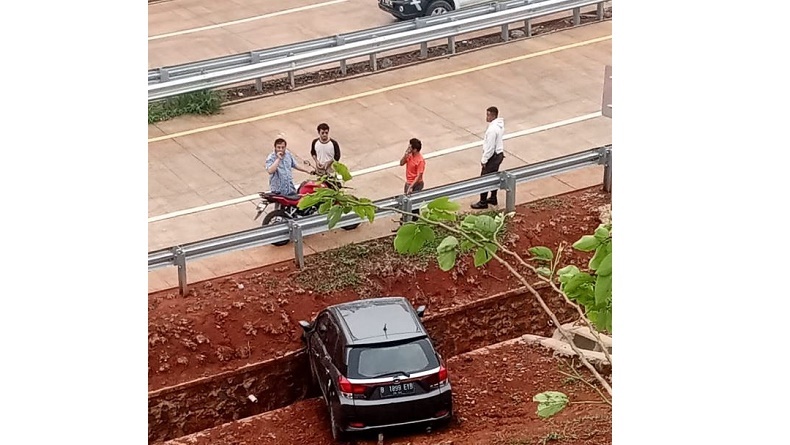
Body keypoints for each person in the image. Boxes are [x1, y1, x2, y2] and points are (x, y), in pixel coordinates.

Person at [471, 106, 505, 209]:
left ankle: (483, 201)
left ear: (493, 116)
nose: (487, 117)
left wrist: (484, 159)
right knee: (494, 177)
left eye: (488, 114)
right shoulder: (499, 126)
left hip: (492, 157)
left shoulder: (492, 130)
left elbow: (490, 147)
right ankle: (493, 198)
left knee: (484, 179)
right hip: (498, 154)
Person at [393, 138, 425, 231]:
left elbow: (419, 175)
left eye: (411, 147)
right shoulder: (410, 156)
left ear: (415, 149)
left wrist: (411, 186)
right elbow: (401, 163)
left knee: (413, 207)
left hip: (416, 184)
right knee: (406, 205)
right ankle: (404, 224)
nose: (409, 148)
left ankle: (412, 225)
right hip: (408, 183)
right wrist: (405, 155)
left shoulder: (420, 161)